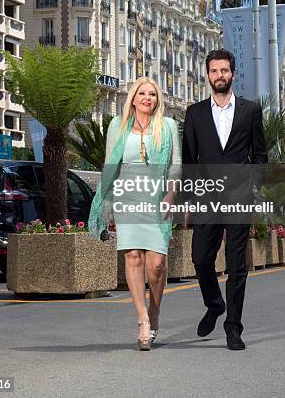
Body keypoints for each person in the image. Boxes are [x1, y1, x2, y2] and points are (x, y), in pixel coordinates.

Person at [182, 49, 267, 350]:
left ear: (233, 74)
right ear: (207, 75)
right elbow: (189, 160)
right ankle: (214, 304)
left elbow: (260, 155)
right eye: (214, 71)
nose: (220, 75)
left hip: (239, 197)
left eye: (225, 70)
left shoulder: (250, 111)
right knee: (200, 258)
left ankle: (233, 327)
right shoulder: (195, 113)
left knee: (235, 264)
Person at [89, 77, 181, 351]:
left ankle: (154, 311)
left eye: (152, 94)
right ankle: (142, 320)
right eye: (142, 93)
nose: (147, 98)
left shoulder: (167, 126)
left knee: (157, 264)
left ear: (157, 100)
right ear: (133, 97)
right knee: (132, 256)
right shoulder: (117, 125)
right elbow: (110, 165)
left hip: (156, 198)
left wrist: (171, 194)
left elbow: (176, 164)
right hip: (126, 196)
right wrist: (107, 201)